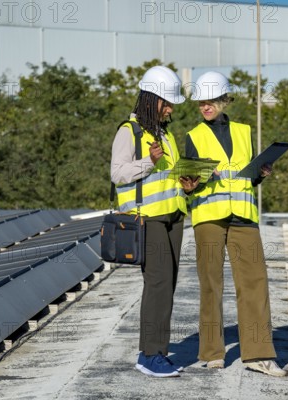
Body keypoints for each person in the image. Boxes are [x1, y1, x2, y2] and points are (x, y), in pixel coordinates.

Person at [180, 71, 286, 377]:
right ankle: (212, 352)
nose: (205, 106)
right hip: (208, 218)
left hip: (243, 216)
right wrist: (194, 181)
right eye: (201, 101)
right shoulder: (193, 136)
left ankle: (259, 355)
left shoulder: (244, 131)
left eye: (211, 100)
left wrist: (260, 173)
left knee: (255, 282)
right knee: (210, 284)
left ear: (225, 99)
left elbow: (247, 178)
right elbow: (190, 182)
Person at [110, 65, 194, 378]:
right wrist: (149, 162)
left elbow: (166, 177)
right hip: (148, 219)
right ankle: (150, 355)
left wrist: (188, 185)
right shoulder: (128, 131)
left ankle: (156, 350)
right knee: (157, 284)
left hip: (173, 216)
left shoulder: (164, 133)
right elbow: (117, 173)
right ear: (151, 99)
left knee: (167, 285)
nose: (171, 109)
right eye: (167, 103)